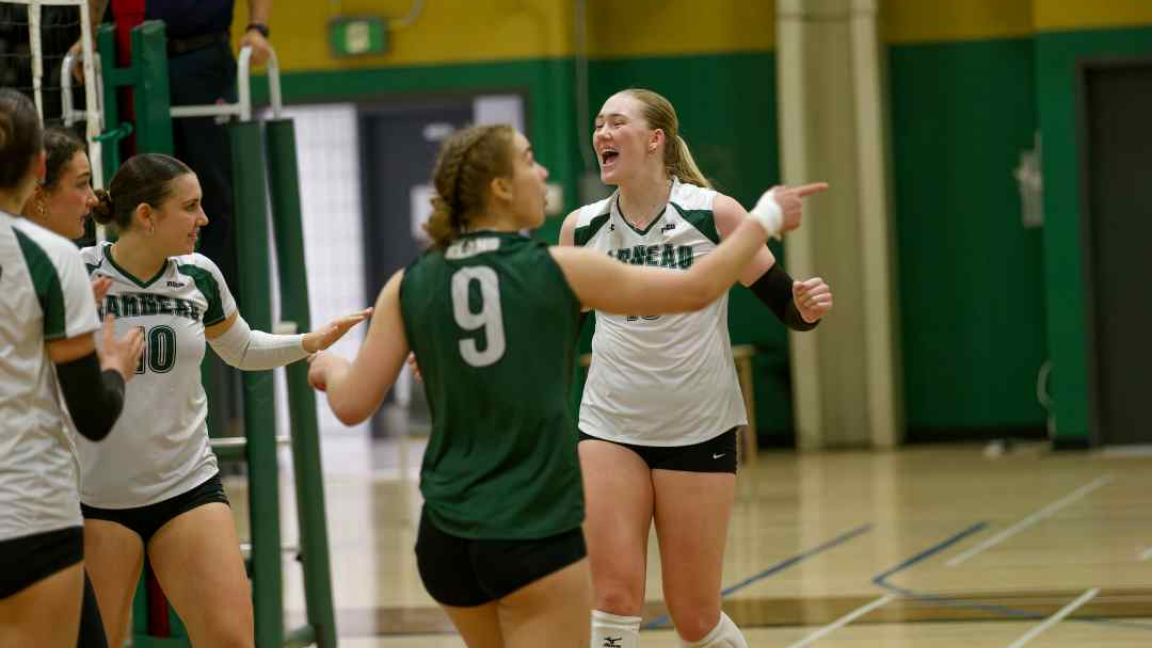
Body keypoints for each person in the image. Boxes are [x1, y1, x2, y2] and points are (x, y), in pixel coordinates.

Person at [307, 123, 806, 648]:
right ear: (499, 187)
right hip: (532, 534)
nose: (543, 170)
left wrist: (325, 365)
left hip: (446, 540)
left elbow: (351, 403)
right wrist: (765, 216)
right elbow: (695, 288)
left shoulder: (408, 283)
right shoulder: (557, 269)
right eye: (528, 160)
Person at [558, 88, 833, 648]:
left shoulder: (714, 213)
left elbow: (786, 304)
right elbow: (554, 330)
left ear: (655, 139)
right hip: (609, 426)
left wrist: (805, 307)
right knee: (611, 599)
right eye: (597, 125)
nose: (601, 135)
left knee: (694, 615)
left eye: (616, 123)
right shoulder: (581, 228)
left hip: (698, 427)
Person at [75, 153, 368, 648]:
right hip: (96, 497)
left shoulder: (200, 276)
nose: (204, 219)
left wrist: (310, 343)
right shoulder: (78, 273)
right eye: (190, 207)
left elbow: (242, 347)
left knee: (232, 639)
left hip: (186, 486)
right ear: (147, 216)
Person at [0, 89, 143, 648]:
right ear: (38, 167)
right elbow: (94, 414)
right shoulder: (50, 258)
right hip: (28, 510)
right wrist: (115, 367)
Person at [73, 0, 274, 293]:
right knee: (143, 190)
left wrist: (258, 28)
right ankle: (146, 294)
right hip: (136, 58)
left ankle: (216, 301)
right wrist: (88, 34)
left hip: (204, 59)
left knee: (214, 194)